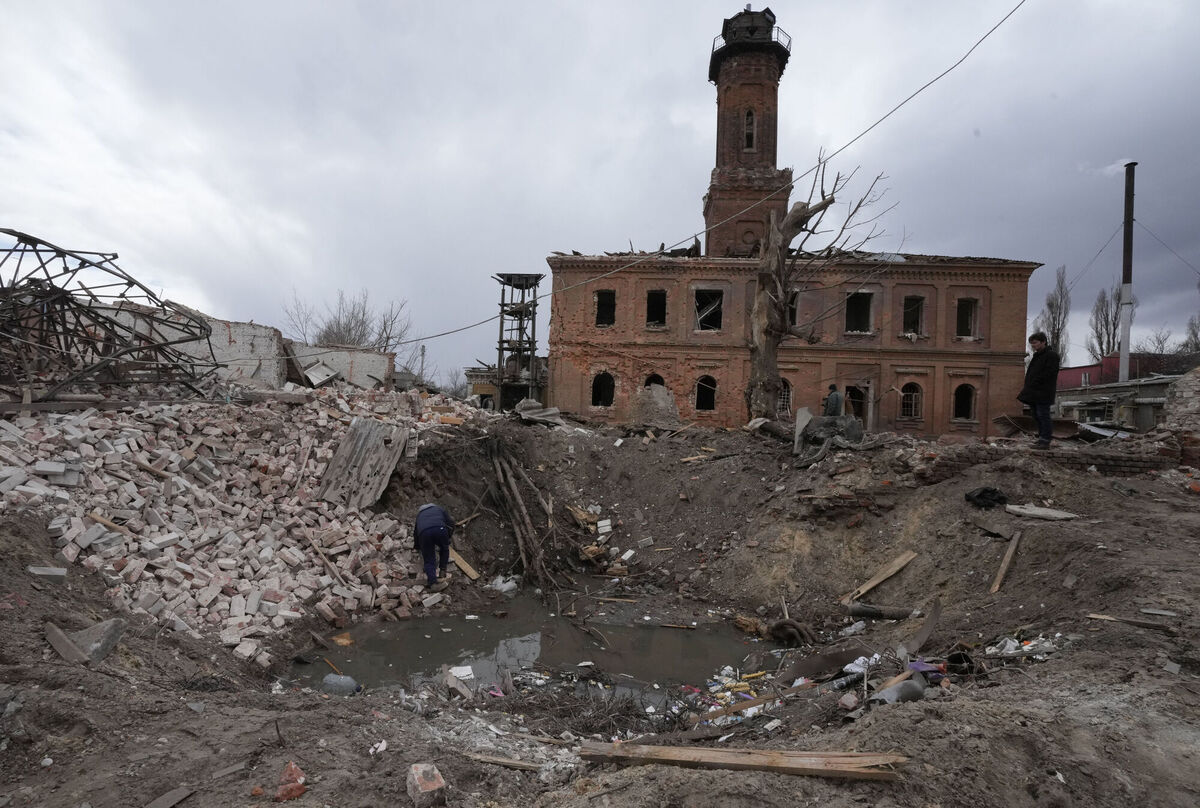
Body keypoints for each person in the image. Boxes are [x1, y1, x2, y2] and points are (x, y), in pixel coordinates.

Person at [1018, 331, 1060, 449]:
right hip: (1034, 393)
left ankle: (1045, 441)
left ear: (1043, 342)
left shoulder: (1051, 356)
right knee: (1036, 415)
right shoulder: (1037, 356)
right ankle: (1041, 438)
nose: (1033, 346)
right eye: (1031, 344)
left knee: (1043, 415)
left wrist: (1035, 382)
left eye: (1035, 343)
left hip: (1043, 392)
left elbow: (1049, 374)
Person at [413, 503, 455, 591]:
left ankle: (433, 583)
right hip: (440, 529)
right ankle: (442, 571)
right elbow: (451, 522)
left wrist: (417, 547)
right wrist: (448, 537)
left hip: (424, 533)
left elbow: (416, 533)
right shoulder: (439, 509)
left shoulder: (419, 515)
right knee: (444, 549)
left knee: (429, 559)